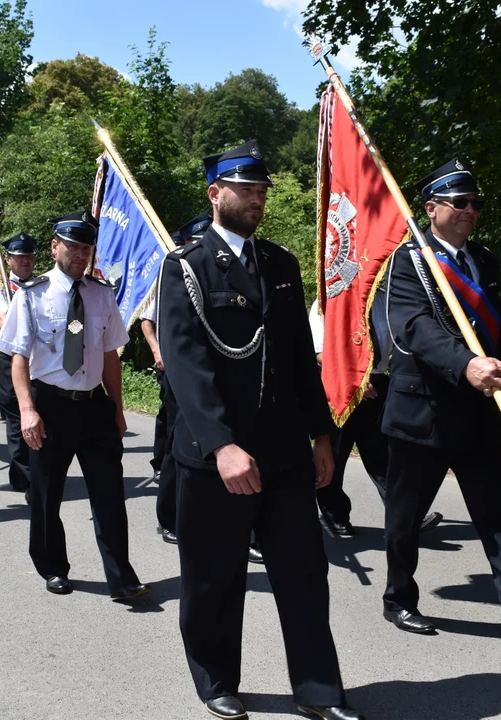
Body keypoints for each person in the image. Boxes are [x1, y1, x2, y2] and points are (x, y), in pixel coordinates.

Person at [158, 141, 363, 720]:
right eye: (244, 187)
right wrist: (222, 445)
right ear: (214, 193)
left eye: (262, 188)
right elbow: (186, 365)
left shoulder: (280, 263)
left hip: (283, 455)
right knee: (213, 580)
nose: (256, 197)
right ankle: (216, 679)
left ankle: (321, 691)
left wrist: (323, 435)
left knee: (304, 576)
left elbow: (300, 359)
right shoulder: (186, 267)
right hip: (216, 458)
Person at [381, 158, 501, 647]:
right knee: (405, 520)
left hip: (480, 412)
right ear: (431, 209)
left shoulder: (483, 260)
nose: (471, 211)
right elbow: (413, 328)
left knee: (497, 517)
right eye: (459, 203)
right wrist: (465, 363)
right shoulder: (408, 260)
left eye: (476, 204)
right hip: (422, 413)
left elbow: (497, 329)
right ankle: (399, 599)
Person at [0, 211, 149, 601]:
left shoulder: (102, 294)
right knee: (47, 494)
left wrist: (117, 408)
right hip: (50, 406)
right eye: (73, 246)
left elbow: (111, 355)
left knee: (110, 496)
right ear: (54, 247)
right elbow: (18, 357)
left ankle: (121, 576)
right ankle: (52, 566)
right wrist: (28, 410)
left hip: (94, 407)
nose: (80, 254)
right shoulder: (31, 295)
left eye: (86, 248)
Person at [308, 290, 443, 537]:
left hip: (378, 384)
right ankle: (334, 514)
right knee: (334, 455)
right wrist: (353, 377)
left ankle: (406, 515)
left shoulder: (385, 298)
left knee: (385, 455)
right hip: (339, 383)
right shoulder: (329, 298)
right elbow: (318, 350)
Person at [142, 211, 212, 546]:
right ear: (186, 243)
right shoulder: (173, 273)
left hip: (217, 375)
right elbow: (152, 321)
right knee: (176, 442)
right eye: (197, 242)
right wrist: (160, 353)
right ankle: (169, 516)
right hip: (180, 373)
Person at [0, 232, 37, 498]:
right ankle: (29, 480)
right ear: (8, 260)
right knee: (17, 421)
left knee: (37, 417)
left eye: (28, 256)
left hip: (38, 361)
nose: (25, 261)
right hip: (8, 362)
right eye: (19, 257)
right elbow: (2, 321)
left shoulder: (42, 286)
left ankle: (23, 474)